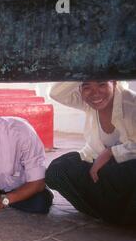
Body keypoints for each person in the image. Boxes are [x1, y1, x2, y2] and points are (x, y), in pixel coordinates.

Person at [46, 81, 136, 225]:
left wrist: (111, 152)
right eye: (87, 86)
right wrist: (83, 68)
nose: (95, 93)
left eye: (101, 84)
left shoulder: (132, 103)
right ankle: (106, 214)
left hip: (125, 172)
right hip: (99, 169)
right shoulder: (87, 103)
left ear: (114, 82)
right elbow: (56, 93)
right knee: (56, 171)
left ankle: (124, 216)